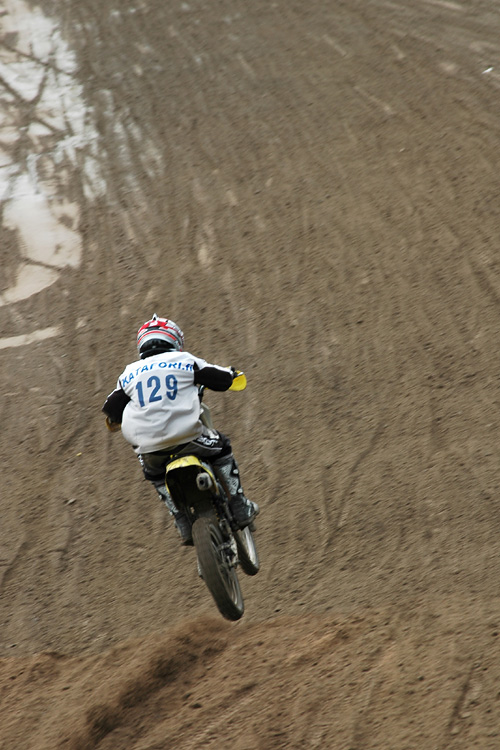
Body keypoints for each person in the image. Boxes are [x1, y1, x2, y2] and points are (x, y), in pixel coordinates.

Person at [102, 314, 259, 545]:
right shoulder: (183, 360)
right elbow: (219, 377)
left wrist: (118, 416)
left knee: (154, 473)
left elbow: (111, 409)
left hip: (149, 449)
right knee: (222, 447)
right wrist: (232, 373)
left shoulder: (128, 374)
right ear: (174, 339)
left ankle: (180, 518)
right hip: (188, 437)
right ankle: (238, 503)